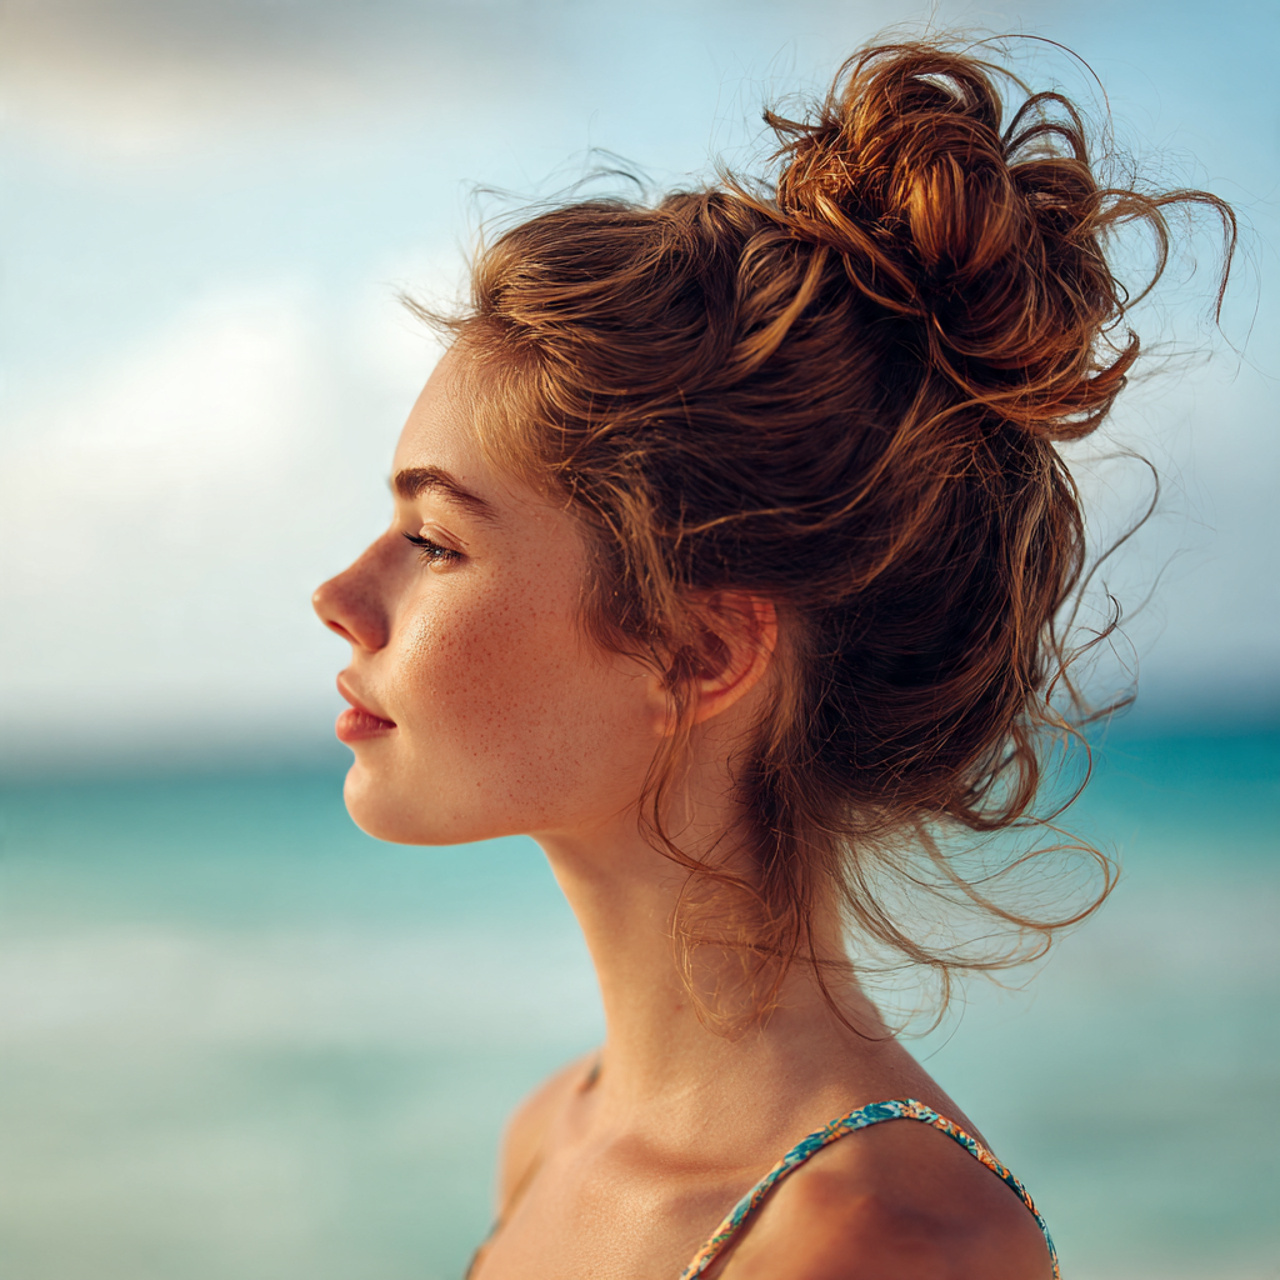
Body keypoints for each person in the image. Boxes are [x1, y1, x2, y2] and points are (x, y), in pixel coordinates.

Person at [312, 38, 1231, 1280]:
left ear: (696, 648)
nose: (339, 596)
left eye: (431, 538)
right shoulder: (549, 1136)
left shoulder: (889, 1248)